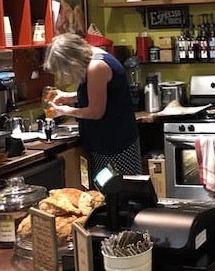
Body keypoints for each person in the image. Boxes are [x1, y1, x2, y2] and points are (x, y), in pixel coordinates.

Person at [43, 33, 141, 176]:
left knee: (118, 190)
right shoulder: (95, 55)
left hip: (113, 143)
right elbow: (100, 94)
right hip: (110, 139)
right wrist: (67, 97)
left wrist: (65, 111)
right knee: (110, 191)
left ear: (71, 60)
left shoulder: (96, 67)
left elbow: (96, 112)